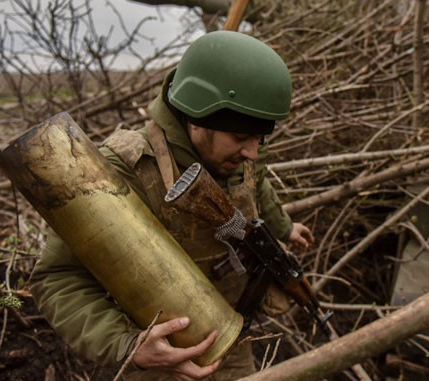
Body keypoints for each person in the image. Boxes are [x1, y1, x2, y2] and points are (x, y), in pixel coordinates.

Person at [30, 31, 314, 380]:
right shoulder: (121, 171)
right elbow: (58, 279)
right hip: (159, 366)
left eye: (261, 138)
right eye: (241, 138)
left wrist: (284, 226)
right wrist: (128, 345)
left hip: (233, 347)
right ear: (198, 118)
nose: (252, 152)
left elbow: (258, 186)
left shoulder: (242, 151)